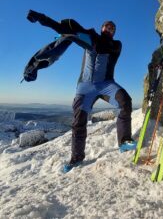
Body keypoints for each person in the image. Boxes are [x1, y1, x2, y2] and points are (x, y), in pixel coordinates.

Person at [26, 10, 136, 173]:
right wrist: (42, 18)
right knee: (78, 122)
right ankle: (76, 158)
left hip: (107, 84)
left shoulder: (116, 45)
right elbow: (63, 30)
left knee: (125, 102)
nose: (110, 28)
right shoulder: (89, 39)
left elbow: (105, 46)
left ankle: (124, 141)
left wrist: (87, 37)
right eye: (107, 26)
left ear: (114, 32)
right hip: (85, 87)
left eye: (112, 28)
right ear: (101, 28)